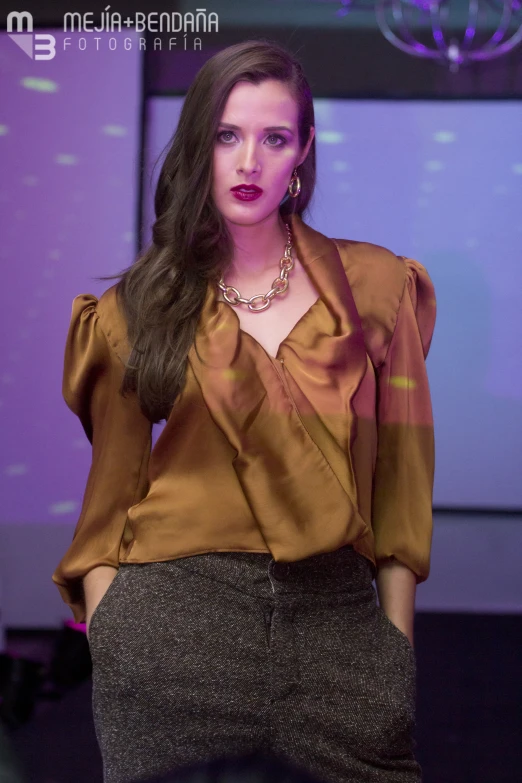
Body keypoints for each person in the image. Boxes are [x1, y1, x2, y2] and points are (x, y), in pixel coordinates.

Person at [52, 39, 436, 783]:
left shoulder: (380, 287)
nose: (249, 161)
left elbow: (402, 485)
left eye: (275, 137)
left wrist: (393, 652)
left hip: (339, 631)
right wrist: (119, 637)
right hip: (172, 630)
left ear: (305, 150)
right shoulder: (138, 308)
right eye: (228, 135)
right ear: (200, 144)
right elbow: (106, 512)